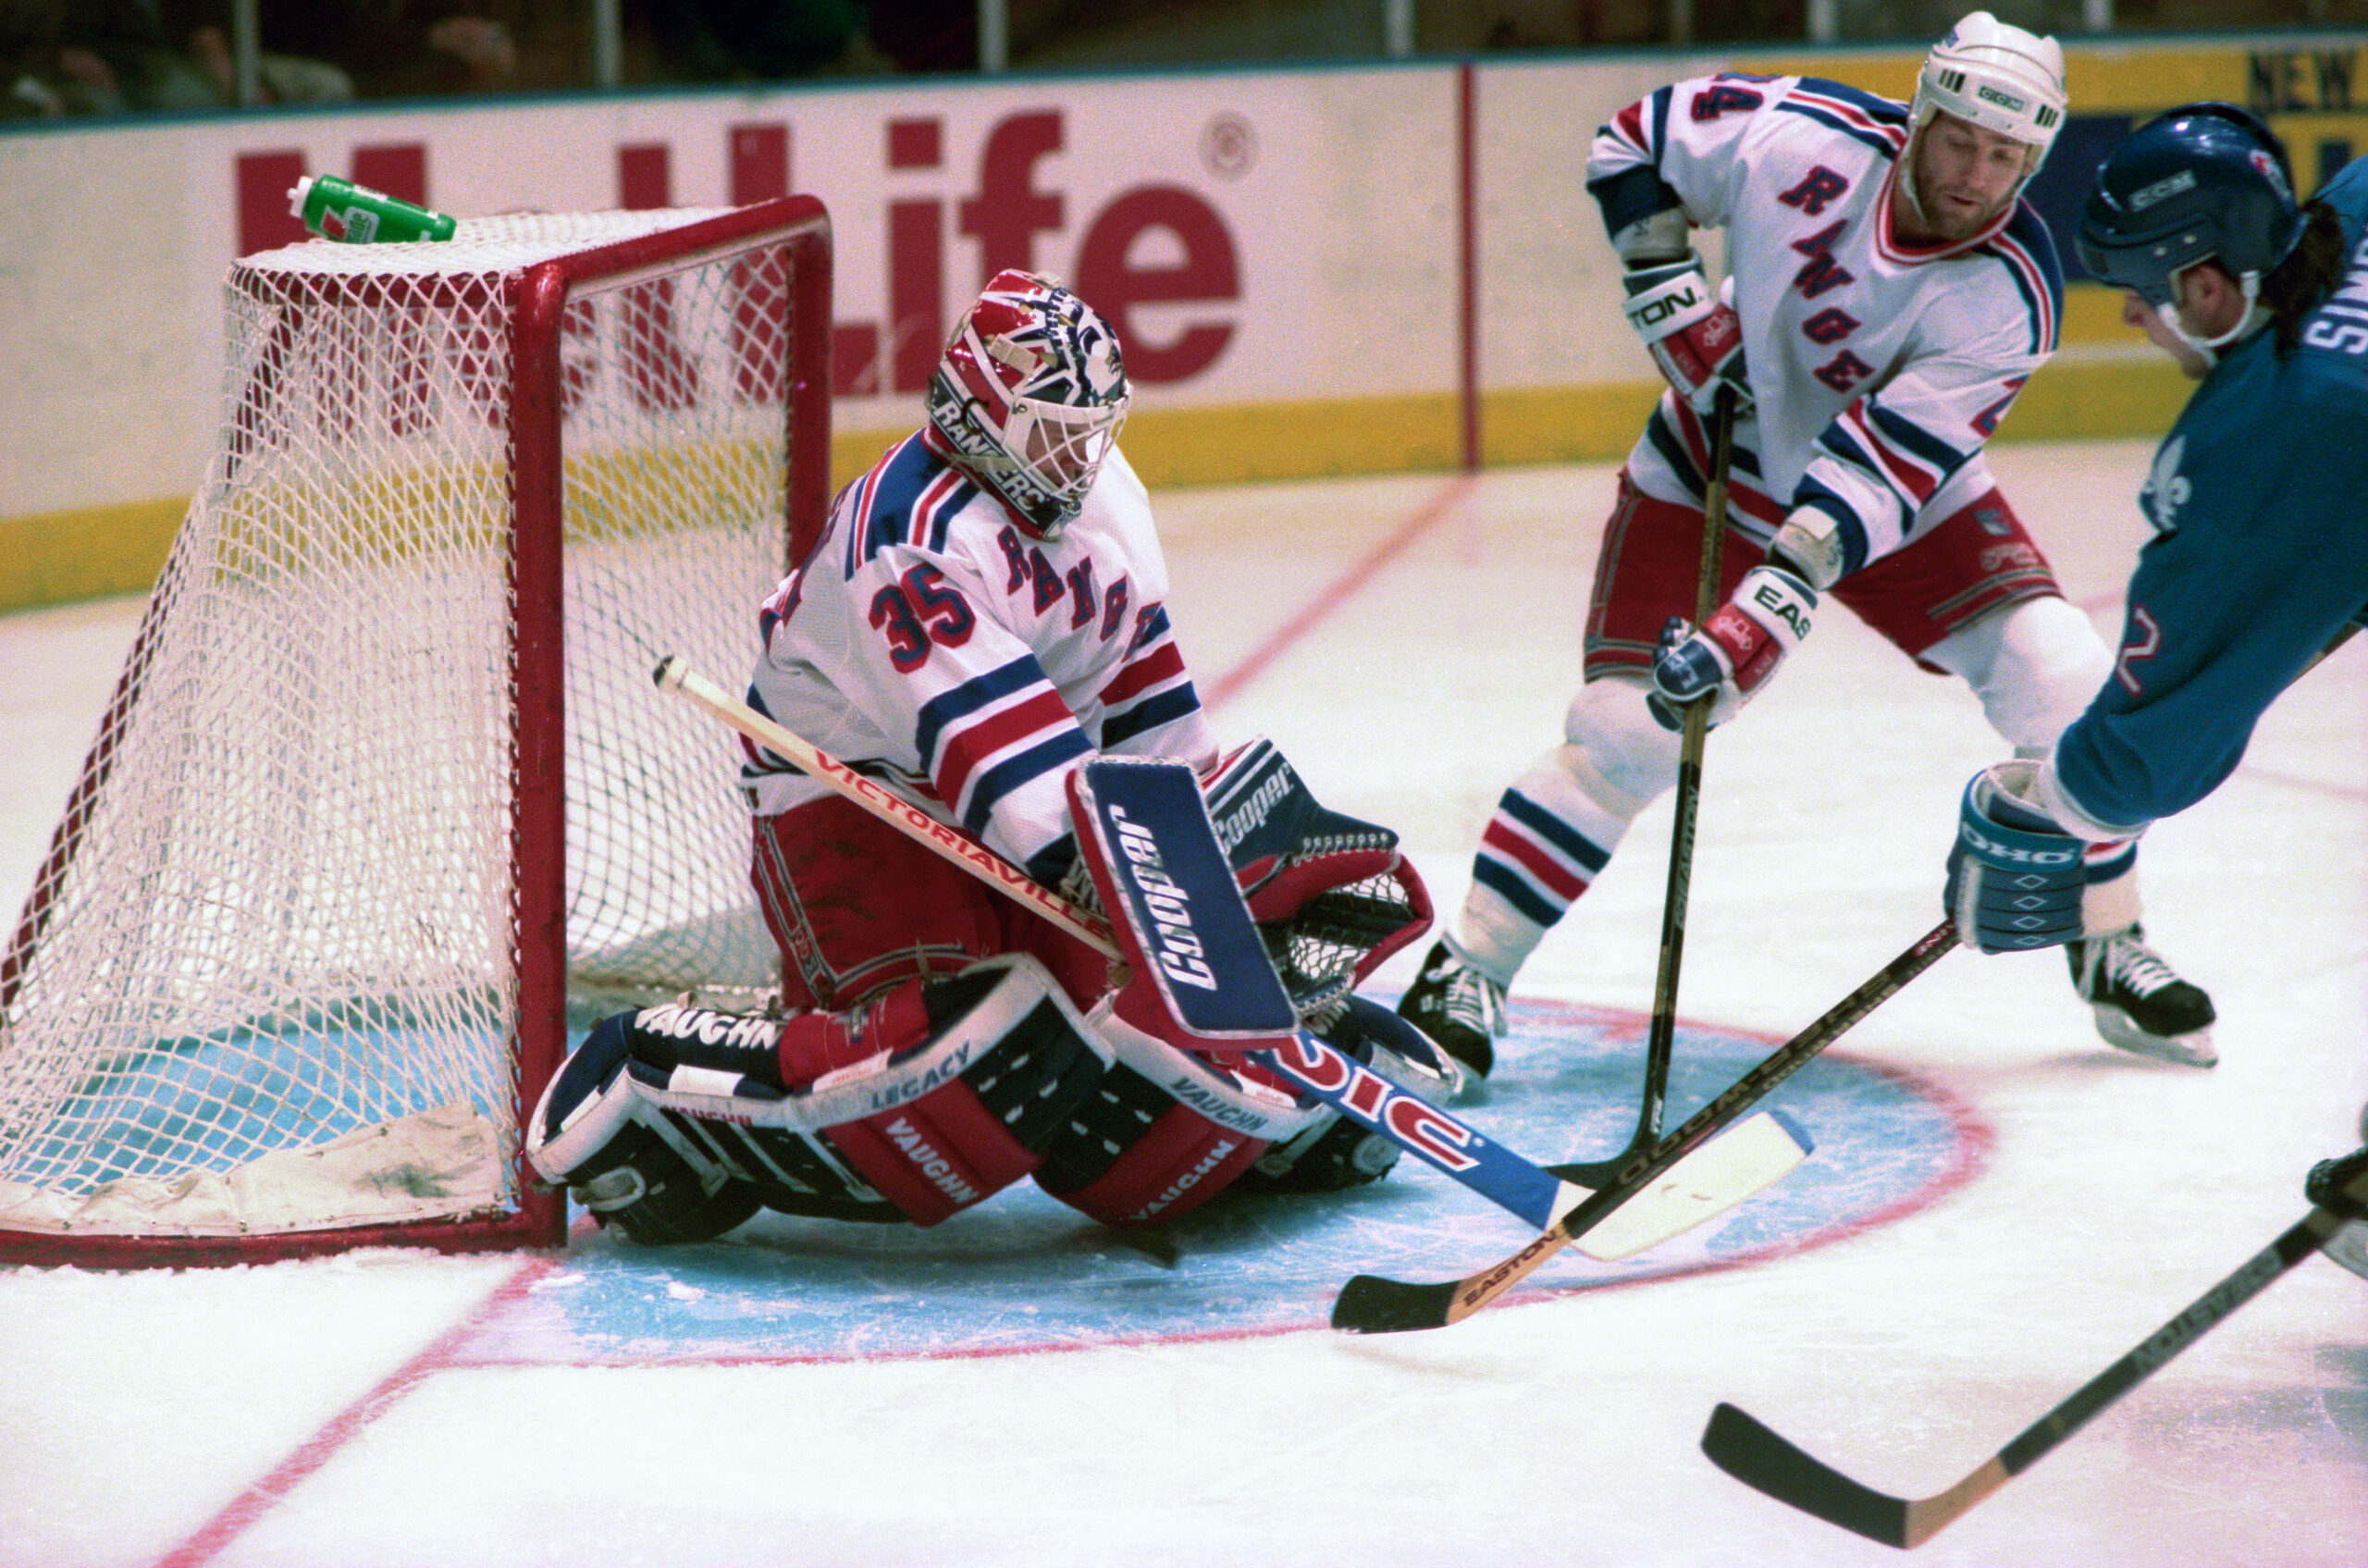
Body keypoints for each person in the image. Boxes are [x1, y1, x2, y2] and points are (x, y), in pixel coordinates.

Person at [527, 271, 1449, 1243]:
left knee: (1118, 1067)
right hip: (860, 815)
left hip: (1017, 800)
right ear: (979, 414)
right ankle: (656, 1071)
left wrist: (1216, 889)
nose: (1082, 458)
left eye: (1095, 429)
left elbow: (1145, 709)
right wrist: (1166, 914)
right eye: (1056, 432)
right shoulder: (909, 536)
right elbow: (1019, 788)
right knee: (971, 1073)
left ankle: (1256, 1123)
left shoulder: (1106, 500)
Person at [1398, 12, 2218, 1088]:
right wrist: (1667, 292)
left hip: (1897, 507)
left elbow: (1875, 479)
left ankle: (2106, 937)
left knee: (2067, 683)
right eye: (1962, 138)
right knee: (1627, 738)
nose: (1977, 174)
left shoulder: (2008, 292)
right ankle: (1465, 972)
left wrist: (1765, 610)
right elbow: (1632, 143)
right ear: (1921, 115)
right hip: (1708, 472)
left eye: (2008, 156)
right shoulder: (1797, 134)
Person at [1939, 104, 2368, 1181]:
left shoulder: (2266, 438)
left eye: (2141, 294)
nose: (2135, 318)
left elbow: (2153, 740)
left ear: (2207, 287)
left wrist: (2053, 814)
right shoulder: (2346, 212)